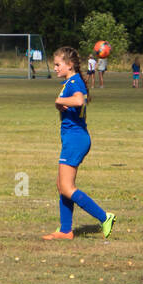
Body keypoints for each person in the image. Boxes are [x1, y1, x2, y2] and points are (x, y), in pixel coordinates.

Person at [43, 46, 115, 241]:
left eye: (58, 64)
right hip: (73, 138)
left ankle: (104, 216)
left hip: (76, 139)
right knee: (62, 185)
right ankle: (66, 231)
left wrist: (59, 100)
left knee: (66, 187)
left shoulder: (74, 82)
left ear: (70, 64)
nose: (55, 68)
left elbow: (79, 100)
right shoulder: (71, 81)